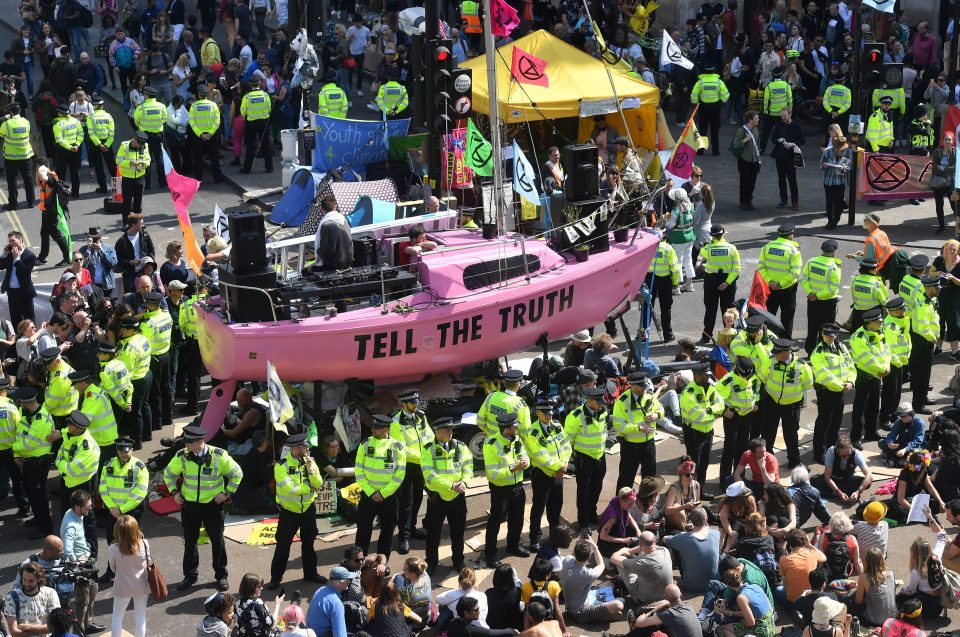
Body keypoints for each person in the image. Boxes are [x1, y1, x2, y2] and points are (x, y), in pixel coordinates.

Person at [163, 424, 243, 592]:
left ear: (200, 441)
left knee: (217, 541)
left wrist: (227, 493)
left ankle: (221, 575)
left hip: (212, 506)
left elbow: (237, 473)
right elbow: (168, 474)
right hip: (190, 505)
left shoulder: (219, 456)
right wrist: (174, 492)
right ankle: (190, 575)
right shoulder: (183, 456)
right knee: (190, 542)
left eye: (189, 443)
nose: (186, 446)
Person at [268, 432, 323, 588]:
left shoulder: (310, 462)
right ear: (296, 448)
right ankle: (276, 578)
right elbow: (289, 488)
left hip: (308, 510)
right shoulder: (282, 465)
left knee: (309, 544)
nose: (307, 449)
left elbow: (318, 483)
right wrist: (308, 488)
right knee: (283, 546)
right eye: (304, 446)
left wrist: (311, 470)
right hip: (289, 512)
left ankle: (311, 573)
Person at [422, 417, 473, 574]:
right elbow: (429, 475)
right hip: (437, 498)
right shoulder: (428, 449)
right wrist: (451, 486)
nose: (450, 432)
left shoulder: (461, 446)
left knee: (458, 532)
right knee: (433, 533)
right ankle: (431, 563)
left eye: (451, 429)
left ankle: (458, 561)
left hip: (457, 497)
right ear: (437, 432)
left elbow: (468, 467)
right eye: (446, 430)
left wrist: (465, 482)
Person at [354, 414, 406, 557]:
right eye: (373, 427)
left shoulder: (397, 447)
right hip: (368, 496)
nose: (373, 430)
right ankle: (359, 561)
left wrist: (383, 493)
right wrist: (371, 492)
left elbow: (399, 474)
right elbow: (359, 471)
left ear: (386, 430)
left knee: (387, 531)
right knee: (363, 530)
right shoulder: (365, 444)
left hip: (389, 498)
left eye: (377, 428)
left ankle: (382, 561)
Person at [522, 400, 569, 553]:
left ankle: (554, 536)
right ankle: (534, 538)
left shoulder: (557, 426)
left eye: (551, 412)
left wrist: (565, 463)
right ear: (537, 414)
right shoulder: (533, 432)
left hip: (558, 473)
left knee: (556, 506)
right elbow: (541, 456)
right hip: (542, 475)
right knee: (539, 507)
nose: (549, 415)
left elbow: (566, 445)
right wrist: (559, 467)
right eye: (546, 413)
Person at [758, 338, 812, 467]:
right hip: (771, 401)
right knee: (768, 432)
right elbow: (763, 376)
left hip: (791, 406)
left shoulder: (801, 366)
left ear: (786, 353)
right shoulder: (770, 361)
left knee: (791, 434)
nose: (774, 356)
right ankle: (767, 460)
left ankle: (794, 462)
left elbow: (808, 384)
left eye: (777, 353)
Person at [484, 412, 530, 567]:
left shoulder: (516, 439)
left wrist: (525, 463)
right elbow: (492, 474)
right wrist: (512, 468)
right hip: (501, 491)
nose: (517, 428)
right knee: (495, 523)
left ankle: (513, 546)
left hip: (518, 487)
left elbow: (525, 457)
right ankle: (490, 554)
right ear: (506, 428)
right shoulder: (491, 444)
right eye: (514, 426)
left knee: (517, 520)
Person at [390, 389, 432, 554]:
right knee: (406, 503)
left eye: (417, 402)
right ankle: (404, 537)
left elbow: (429, 435)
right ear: (404, 404)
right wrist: (423, 457)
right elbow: (401, 449)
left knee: (418, 498)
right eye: (412, 403)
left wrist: (430, 453)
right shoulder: (396, 423)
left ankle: (412, 528)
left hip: (422, 465)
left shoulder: (421, 416)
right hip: (407, 466)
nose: (416, 405)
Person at [11, 386, 56, 538]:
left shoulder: (41, 420)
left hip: (39, 462)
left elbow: (29, 444)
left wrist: (14, 449)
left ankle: (46, 528)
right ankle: (38, 519)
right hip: (29, 460)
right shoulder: (27, 414)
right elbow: (20, 434)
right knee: (31, 492)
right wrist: (17, 453)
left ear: (25, 403)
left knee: (39, 495)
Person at [565, 386, 608, 531]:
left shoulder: (602, 411)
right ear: (589, 401)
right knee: (583, 491)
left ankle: (592, 514)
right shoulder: (576, 416)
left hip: (600, 456)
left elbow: (603, 430)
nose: (600, 405)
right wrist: (574, 456)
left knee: (597, 487)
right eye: (597, 402)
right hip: (584, 458)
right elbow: (567, 439)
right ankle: (583, 522)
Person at [612, 372, 662, 490]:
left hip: (648, 444)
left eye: (645, 386)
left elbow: (660, 408)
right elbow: (619, 426)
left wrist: (657, 415)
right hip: (630, 446)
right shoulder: (622, 401)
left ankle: (647, 504)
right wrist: (639, 429)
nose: (645, 389)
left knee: (650, 478)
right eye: (642, 387)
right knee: (626, 479)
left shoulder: (649, 395)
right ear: (633, 386)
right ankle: (620, 507)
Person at [849, 308, 890, 447]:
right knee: (860, 409)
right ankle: (855, 437)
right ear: (870, 323)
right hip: (865, 376)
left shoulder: (878, 331)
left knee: (873, 406)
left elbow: (885, 350)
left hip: (877, 375)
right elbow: (866, 359)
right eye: (878, 321)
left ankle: (870, 432)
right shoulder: (859, 337)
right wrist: (882, 369)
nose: (881, 322)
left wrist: (886, 366)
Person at [679, 363, 724, 487]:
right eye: (706, 375)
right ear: (697, 375)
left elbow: (721, 405)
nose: (709, 377)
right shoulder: (688, 393)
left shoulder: (710, 387)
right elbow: (698, 417)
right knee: (692, 466)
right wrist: (714, 413)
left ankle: (700, 489)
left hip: (708, 431)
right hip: (694, 434)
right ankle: (689, 492)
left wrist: (709, 410)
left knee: (704, 464)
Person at [758, 224, 802, 339]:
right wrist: (781, 284)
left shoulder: (767, 247)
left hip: (770, 288)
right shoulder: (793, 249)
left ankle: (768, 340)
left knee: (769, 316)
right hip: (788, 289)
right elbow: (795, 272)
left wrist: (770, 282)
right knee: (787, 317)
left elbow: (761, 268)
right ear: (790, 235)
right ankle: (785, 344)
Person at [109, 514, 149, 637]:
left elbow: (112, 567)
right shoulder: (144, 544)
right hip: (142, 585)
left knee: (117, 618)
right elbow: (149, 562)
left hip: (122, 586)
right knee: (140, 618)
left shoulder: (113, 548)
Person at [699, 225, 740, 344]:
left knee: (710, 309)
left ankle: (706, 336)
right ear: (723, 234)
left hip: (711, 280)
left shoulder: (708, 249)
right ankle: (729, 337)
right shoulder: (732, 248)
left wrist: (709, 242)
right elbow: (737, 268)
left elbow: (702, 251)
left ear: (712, 236)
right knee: (728, 311)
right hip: (728, 280)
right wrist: (727, 282)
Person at [664, 506, 720, 593]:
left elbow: (666, 539)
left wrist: (679, 535)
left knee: (677, 544)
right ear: (706, 519)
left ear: (690, 520)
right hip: (714, 583)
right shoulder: (716, 533)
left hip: (691, 586)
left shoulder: (683, 538)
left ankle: (675, 566)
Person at [611, 531, 673, 605]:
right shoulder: (664, 550)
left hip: (644, 600)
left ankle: (625, 585)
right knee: (642, 553)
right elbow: (647, 547)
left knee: (620, 562)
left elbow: (613, 558)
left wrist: (622, 550)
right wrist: (629, 551)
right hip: (665, 596)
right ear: (655, 541)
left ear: (640, 544)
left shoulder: (642, 563)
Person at [909, 276, 941, 414]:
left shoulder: (931, 300)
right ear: (928, 288)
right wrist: (933, 338)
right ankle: (918, 405)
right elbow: (922, 327)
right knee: (921, 375)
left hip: (926, 341)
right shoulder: (923, 305)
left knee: (925, 374)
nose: (939, 289)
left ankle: (923, 398)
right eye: (936, 287)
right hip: (923, 342)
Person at [887, 451, 945, 524]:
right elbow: (901, 500)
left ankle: (918, 517)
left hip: (918, 500)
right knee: (898, 510)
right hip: (905, 501)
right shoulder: (904, 474)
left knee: (936, 504)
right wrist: (915, 510)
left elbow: (931, 489)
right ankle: (919, 517)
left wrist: (941, 502)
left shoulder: (924, 472)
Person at [621, 583, 701, 637]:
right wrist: (657, 608)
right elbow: (668, 605)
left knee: (649, 628)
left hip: (640, 623)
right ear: (681, 596)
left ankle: (631, 628)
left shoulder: (669, 614)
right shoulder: (688, 606)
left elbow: (639, 623)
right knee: (659, 625)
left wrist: (645, 615)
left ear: (665, 598)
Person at [4, 562, 60, 635]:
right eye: (24, 579)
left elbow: (54, 627)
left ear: (39, 579)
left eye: (31, 581)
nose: (27, 584)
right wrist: (43, 629)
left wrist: (26, 627)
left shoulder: (50, 593)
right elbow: (14, 633)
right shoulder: (12, 597)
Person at [776, 529, 827, 609]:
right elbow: (824, 557)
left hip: (793, 600)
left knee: (777, 589)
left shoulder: (783, 560)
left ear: (789, 544)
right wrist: (809, 545)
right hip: (810, 596)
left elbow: (785, 587)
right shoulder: (812, 553)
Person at [814, 435, 874, 501]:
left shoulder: (856, 454)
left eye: (848, 454)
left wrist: (858, 492)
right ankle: (845, 492)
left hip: (847, 480)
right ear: (837, 450)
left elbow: (869, 476)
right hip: (833, 479)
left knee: (867, 483)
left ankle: (832, 493)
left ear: (851, 448)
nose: (846, 457)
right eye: (842, 456)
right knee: (814, 479)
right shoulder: (831, 451)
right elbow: (827, 477)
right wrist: (839, 492)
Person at [718, 568, 775, 637]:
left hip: (762, 631)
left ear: (728, 585)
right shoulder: (756, 586)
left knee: (726, 629)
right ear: (741, 577)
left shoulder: (741, 597)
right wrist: (728, 613)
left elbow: (751, 623)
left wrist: (743, 622)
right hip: (770, 627)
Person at [0, 103, 35, 210]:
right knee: (28, 179)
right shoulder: (26, 122)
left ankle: (13, 204)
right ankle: (31, 202)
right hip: (25, 155)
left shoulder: (6, 124)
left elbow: (1, 134)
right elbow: (28, 132)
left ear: (10, 112)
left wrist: (2, 118)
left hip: (11, 157)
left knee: (12, 181)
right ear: (19, 111)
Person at [477, 369, 531, 437]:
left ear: (505, 383)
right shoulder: (520, 405)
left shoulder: (491, 396)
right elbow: (525, 431)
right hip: (509, 445)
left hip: (492, 442)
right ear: (518, 384)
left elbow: (480, 421)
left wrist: (490, 433)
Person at [769, 107, 804, 209]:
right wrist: (779, 140)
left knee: (792, 180)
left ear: (790, 114)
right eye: (781, 116)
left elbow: (802, 140)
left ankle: (795, 201)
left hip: (791, 157)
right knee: (781, 179)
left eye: (784, 116)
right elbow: (773, 139)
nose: (783, 118)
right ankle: (783, 200)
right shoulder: (779, 125)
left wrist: (792, 144)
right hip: (780, 156)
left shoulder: (796, 126)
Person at [898, 537, 942, 618]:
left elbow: (911, 590)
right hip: (939, 606)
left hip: (926, 608)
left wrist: (902, 591)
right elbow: (941, 542)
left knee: (900, 598)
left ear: (915, 554)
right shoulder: (937, 559)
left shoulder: (918, 570)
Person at [690, 63, 729, 153]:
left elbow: (693, 96)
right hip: (715, 107)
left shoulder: (700, 82)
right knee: (715, 129)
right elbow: (725, 96)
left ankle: (701, 150)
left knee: (703, 129)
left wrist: (696, 103)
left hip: (703, 107)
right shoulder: (719, 82)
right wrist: (721, 100)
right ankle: (715, 151)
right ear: (714, 71)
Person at [1, 230, 37, 326]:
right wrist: (4, 254)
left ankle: (32, 339)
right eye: (10, 241)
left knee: (29, 318)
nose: (11, 243)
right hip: (12, 292)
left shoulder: (30, 255)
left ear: (20, 240)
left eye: (13, 240)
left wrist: (17, 259)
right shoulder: (9, 254)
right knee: (15, 318)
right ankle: (18, 338)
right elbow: (1, 266)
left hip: (24, 293)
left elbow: (24, 272)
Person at [854, 547, 897, 627]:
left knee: (852, 603)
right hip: (892, 618)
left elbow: (858, 600)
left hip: (874, 620)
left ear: (866, 561)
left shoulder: (864, 577)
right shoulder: (891, 574)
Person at [665, 188, 697, 294]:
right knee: (688, 260)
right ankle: (689, 284)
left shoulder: (675, 211)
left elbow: (670, 225)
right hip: (690, 237)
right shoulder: (691, 206)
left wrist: (665, 221)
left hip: (678, 238)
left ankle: (676, 287)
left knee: (677, 262)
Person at [115, 133, 150, 228]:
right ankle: (126, 223)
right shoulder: (124, 146)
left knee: (138, 201)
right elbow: (118, 160)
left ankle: (138, 222)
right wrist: (130, 163)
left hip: (140, 177)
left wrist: (144, 164)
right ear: (135, 141)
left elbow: (148, 160)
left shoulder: (145, 146)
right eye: (139, 145)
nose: (140, 147)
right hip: (127, 178)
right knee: (127, 201)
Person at [239, 75, 273, 174]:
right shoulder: (265, 95)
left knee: (250, 146)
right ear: (259, 84)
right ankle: (269, 166)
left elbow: (242, 112)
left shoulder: (246, 97)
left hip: (251, 123)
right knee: (265, 145)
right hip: (264, 122)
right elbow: (269, 109)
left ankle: (247, 169)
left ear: (250, 85)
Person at [597, 486, 643, 558]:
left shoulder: (620, 504)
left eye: (633, 503)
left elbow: (631, 520)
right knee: (628, 557)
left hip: (618, 535)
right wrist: (624, 540)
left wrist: (638, 531)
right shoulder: (613, 517)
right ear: (622, 500)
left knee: (640, 526)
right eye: (630, 504)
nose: (631, 506)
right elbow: (603, 536)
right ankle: (606, 559)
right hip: (607, 545)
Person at [932, 240, 960, 358]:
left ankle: (954, 352)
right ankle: (938, 348)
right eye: (951, 249)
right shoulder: (939, 260)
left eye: (955, 249)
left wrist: (953, 278)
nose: (953, 251)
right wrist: (939, 273)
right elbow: (930, 273)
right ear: (946, 249)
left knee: (954, 323)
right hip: (940, 294)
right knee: (939, 321)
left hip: (954, 296)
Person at [307, 567, 353, 637]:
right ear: (340, 583)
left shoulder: (320, 590)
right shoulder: (336, 604)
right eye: (348, 579)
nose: (349, 581)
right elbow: (340, 635)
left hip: (309, 632)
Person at [312, 196, 353, 271]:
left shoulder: (326, 224)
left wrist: (315, 261)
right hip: (347, 262)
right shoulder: (344, 220)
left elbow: (325, 251)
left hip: (333, 266)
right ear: (335, 207)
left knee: (305, 271)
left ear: (322, 209)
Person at [87, 96, 116, 195]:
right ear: (102, 106)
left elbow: (91, 133)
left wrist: (99, 144)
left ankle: (103, 188)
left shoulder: (90, 117)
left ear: (94, 106)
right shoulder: (109, 116)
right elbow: (112, 133)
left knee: (99, 166)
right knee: (112, 166)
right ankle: (117, 187)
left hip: (95, 144)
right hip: (108, 143)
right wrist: (106, 145)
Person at [930, 132, 957, 234]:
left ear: (952, 141)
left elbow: (955, 167)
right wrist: (947, 170)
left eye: (949, 140)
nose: (947, 142)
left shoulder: (955, 153)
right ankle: (941, 227)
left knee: (954, 205)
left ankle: (958, 225)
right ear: (943, 141)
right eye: (945, 139)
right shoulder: (937, 152)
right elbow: (934, 167)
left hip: (950, 184)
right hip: (938, 183)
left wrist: (943, 169)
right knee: (939, 205)